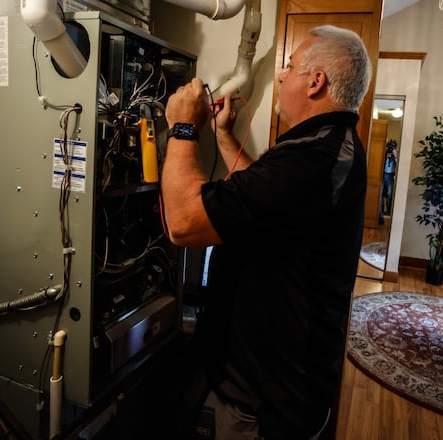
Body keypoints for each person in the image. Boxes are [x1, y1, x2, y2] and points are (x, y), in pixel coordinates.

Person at [161, 25, 371, 439]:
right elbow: (259, 203)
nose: (279, 75)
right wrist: (223, 136)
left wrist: (183, 128)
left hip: (268, 407)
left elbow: (183, 224)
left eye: (289, 67)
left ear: (316, 82)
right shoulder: (326, 146)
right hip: (272, 390)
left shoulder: (313, 160)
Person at [381, 140, 398, 216]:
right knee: (380, 192)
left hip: (391, 175)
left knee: (389, 193)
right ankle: (380, 211)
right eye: (389, 147)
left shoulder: (396, 154)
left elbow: (399, 165)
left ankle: (388, 210)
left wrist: (396, 156)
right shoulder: (383, 152)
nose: (390, 149)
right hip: (382, 173)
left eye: (392, 147)